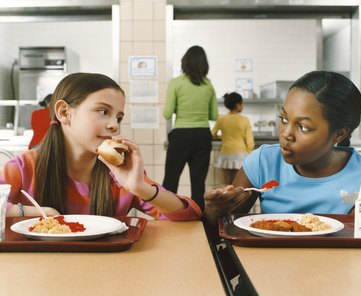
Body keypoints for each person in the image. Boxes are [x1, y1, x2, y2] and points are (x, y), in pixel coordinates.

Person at [1, 72, 202, 221]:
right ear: (64, 112)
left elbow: (190, 216)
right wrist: (41, 213)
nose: (114, 124)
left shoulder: (119, 174)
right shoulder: (22, 167)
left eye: (119, 117)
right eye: (103, 111)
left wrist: (141, 188)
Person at [204, 70, 361, 219]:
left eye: (303, 127)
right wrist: (215, 210)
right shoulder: (263, 162)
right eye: (284, 119)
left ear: (339, 134)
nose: (286, 134)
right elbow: (226, 227)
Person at [163, 45, 218, 212]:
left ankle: (166, 216)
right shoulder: (208, 85)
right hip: (202, 135)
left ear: (184, 62)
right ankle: (198, 220)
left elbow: (167, 114)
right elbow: (214, 115)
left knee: (171, 180)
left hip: (181, 135)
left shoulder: (175, 83)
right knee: (198, 183)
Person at [211, 92, 254, 185]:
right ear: (238, 104)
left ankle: (225, 199)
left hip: (225, 153)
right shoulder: (245, 120)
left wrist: (222, 136)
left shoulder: (221, 119)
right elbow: (250, 141)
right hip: (240, 154)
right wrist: (249, 152)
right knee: (238, 184)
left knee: (226, 183)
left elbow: (212, 134)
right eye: (242, 103)